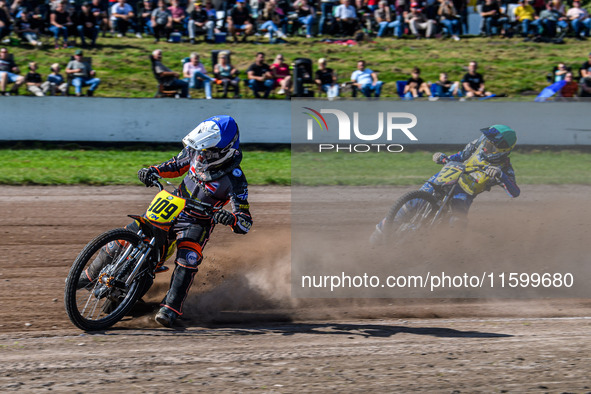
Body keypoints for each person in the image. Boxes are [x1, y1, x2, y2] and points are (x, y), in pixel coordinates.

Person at [135, 115, 253, 327]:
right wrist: (153, 170)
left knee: (188, 257)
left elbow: (245, 222)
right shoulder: (195, 150)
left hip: (197, 222)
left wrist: (231, 218)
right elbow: (175, 165)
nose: (203, 155)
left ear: (224, 150)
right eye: (203, 150)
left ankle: (170, 308)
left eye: (209, 151)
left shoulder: (236, 179)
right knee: (136, 231)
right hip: (172, 205)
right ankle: (91, 274)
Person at [370, 125, 520, 243]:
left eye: (491, 146)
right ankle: (380, 233)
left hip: (465, 193)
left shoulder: (504, 168)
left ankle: (439, 252)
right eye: (486, 141)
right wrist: (443, 158)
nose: (486, 146)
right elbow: (461, 156)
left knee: (456, 226)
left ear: (503, 151)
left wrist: (501, 176)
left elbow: (515, 192)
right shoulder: (478, 145)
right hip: (450, 175)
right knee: (413, 202)